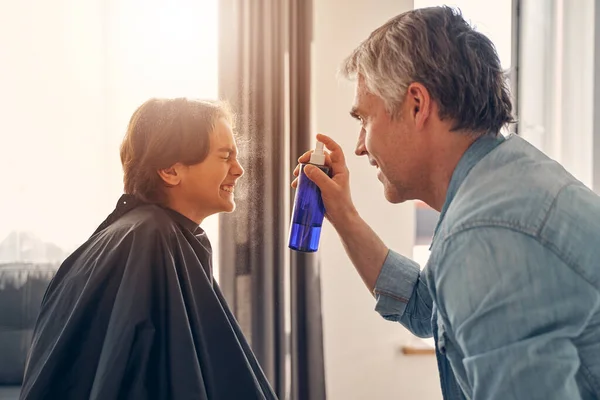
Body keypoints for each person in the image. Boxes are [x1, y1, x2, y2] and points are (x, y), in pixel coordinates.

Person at [294, 6, 600, 400]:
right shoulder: (501, 181)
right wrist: (343, 215)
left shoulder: (487, 233)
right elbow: (428, 309)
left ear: (417, 105)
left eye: (364, 120)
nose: (358, 146)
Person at [20, 98, 277, 400]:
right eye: (225, 157)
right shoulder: (150, 239)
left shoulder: (137, 233)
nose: (239, 170)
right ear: (169, 170)